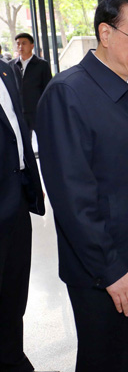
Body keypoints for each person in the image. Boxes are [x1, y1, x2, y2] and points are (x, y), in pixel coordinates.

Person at [35, 0, 128, 371]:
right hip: (106, 271)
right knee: (110, 361)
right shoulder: (68, 94)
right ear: (105, 34)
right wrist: (110, 269)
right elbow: (73, 200)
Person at [0, 61, 45, 372]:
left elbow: (18, 128)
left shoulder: (6, 70)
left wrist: (31, 179)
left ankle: (13, 358)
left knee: (14, 291)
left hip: (15, 197)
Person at [11, 33, 52, 133]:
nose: (20, 46)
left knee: (43, 138)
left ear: (32, 46)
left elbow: (48, 88)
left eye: (24, 43)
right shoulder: (11, 65)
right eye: (18, 44)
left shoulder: (42, 64)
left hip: (37, 111)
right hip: (18, 112)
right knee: (24, 140)